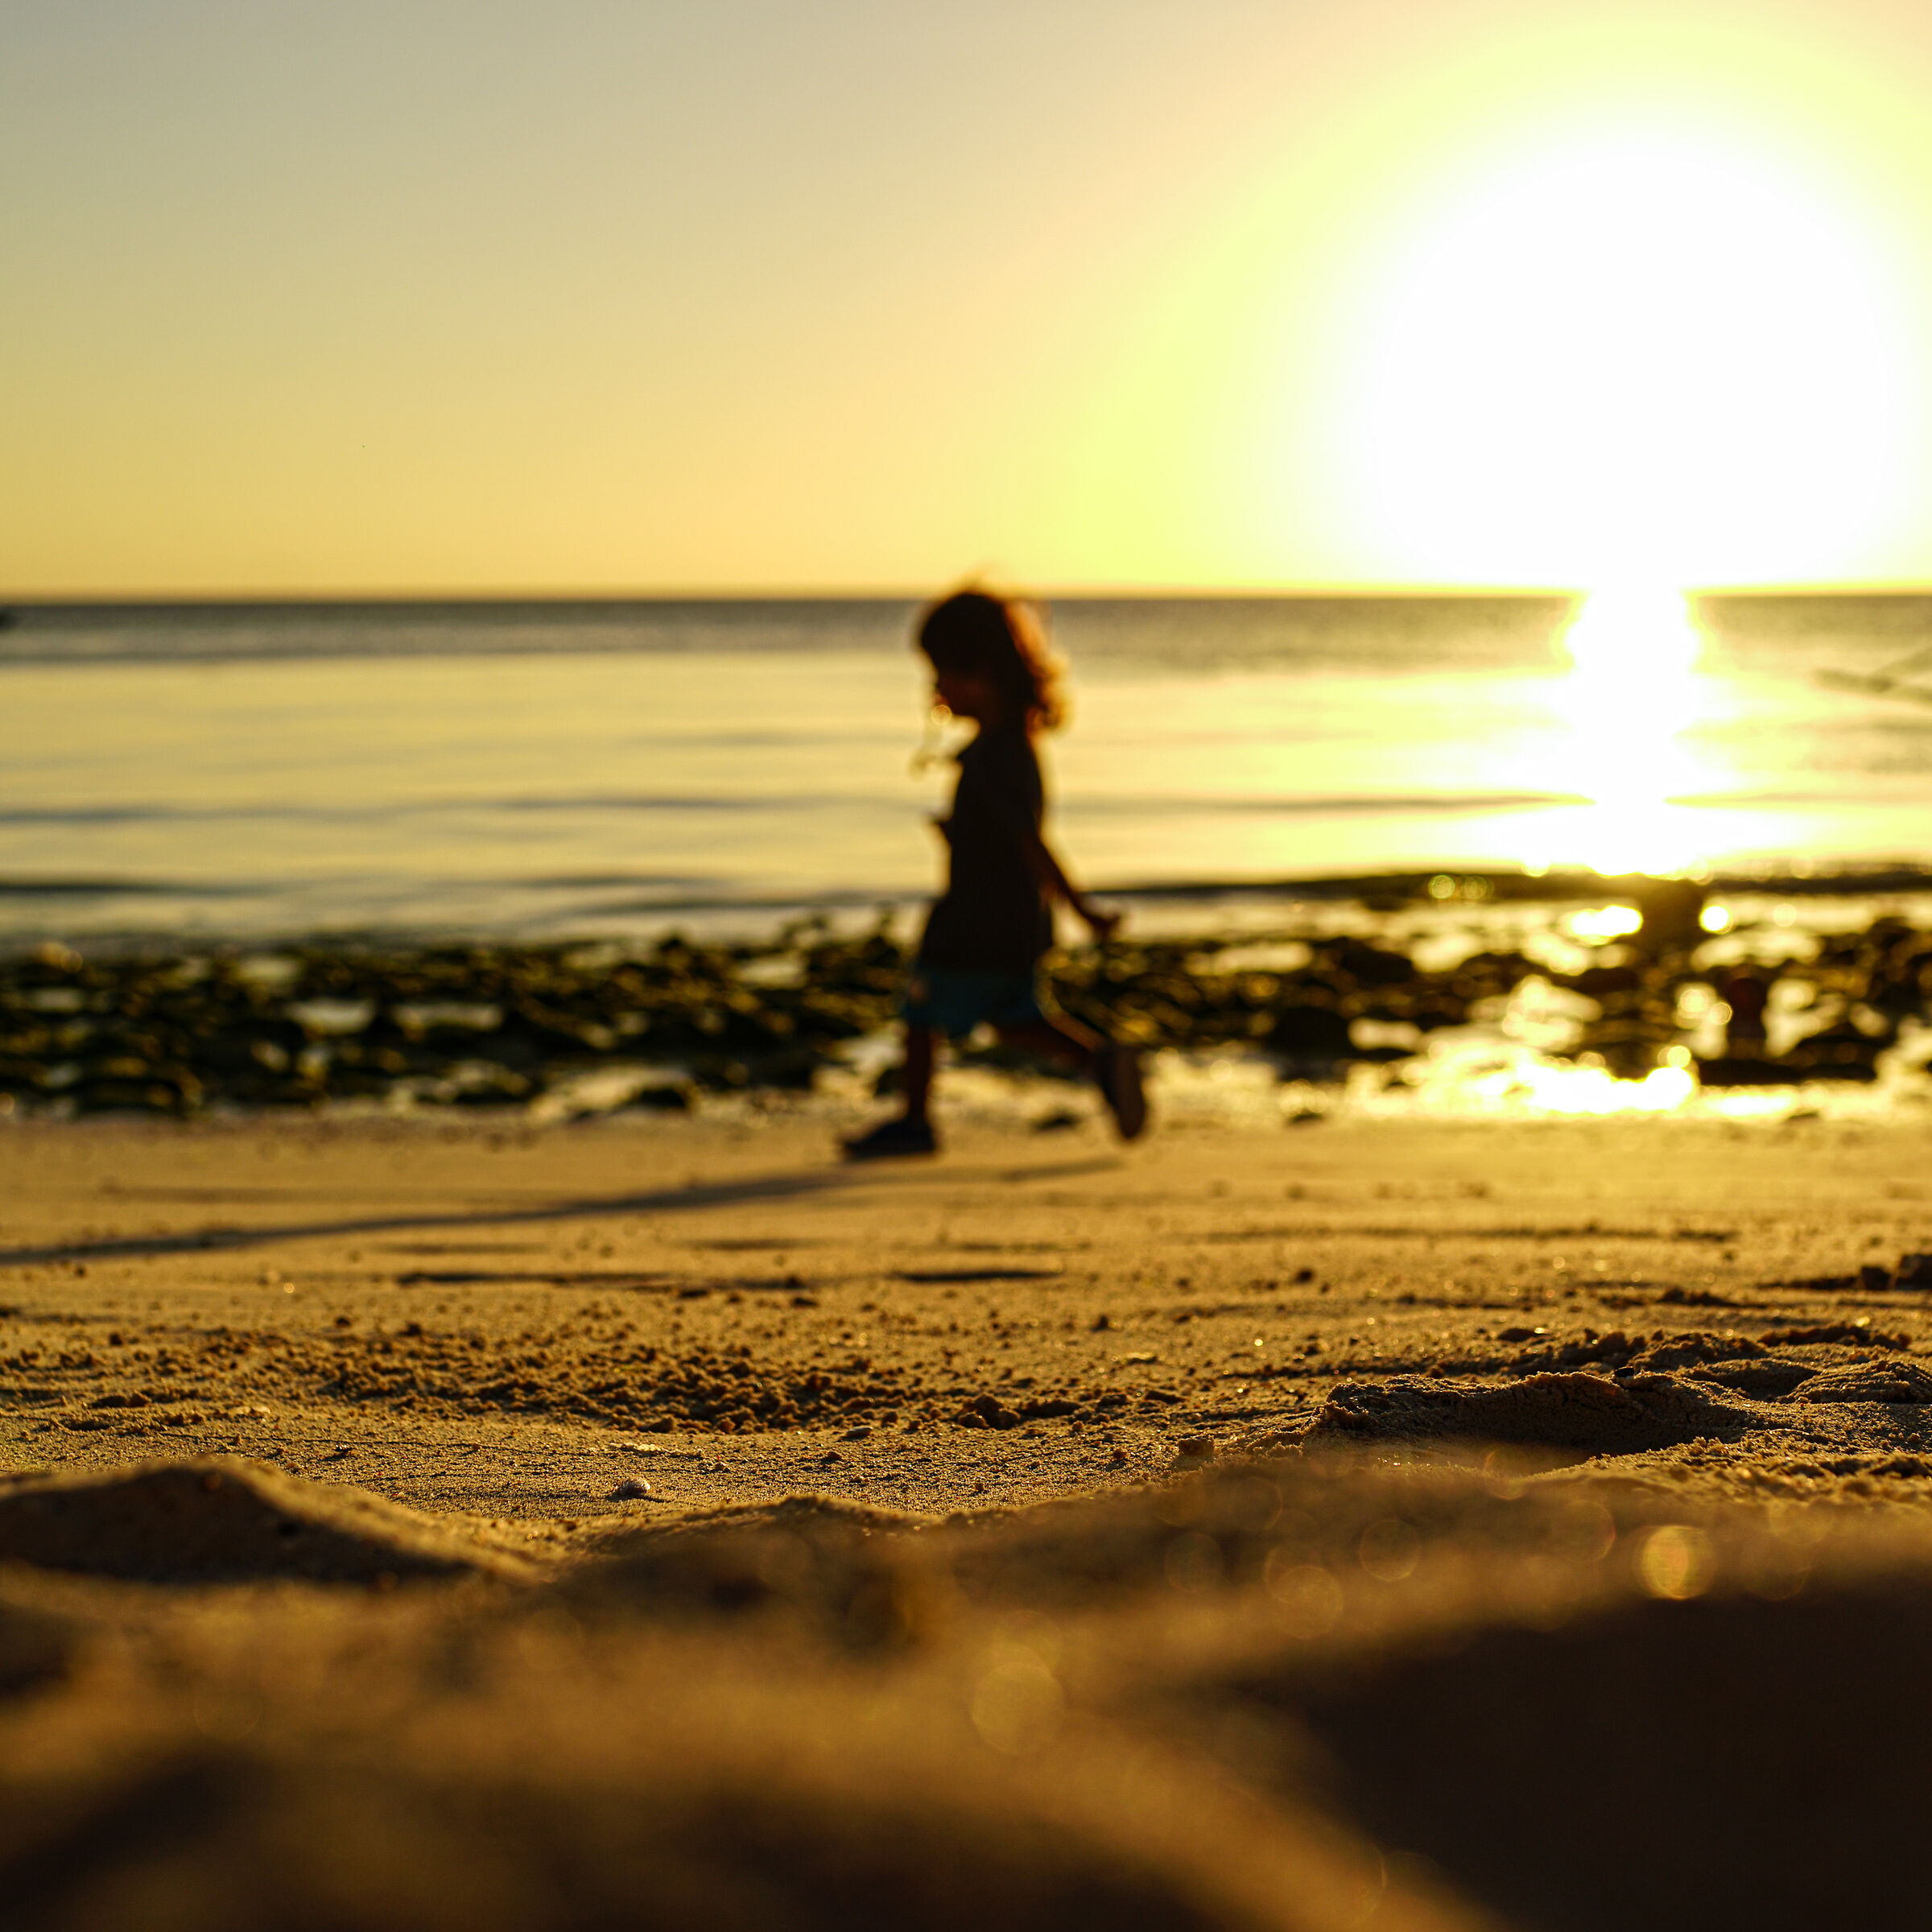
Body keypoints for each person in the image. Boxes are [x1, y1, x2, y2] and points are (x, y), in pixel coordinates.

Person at [842, 588, 1146, 1159]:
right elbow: (1010, 837)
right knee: (1014, 1018)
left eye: (942, 674)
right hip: (1017, 919)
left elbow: (1028, 840)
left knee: (922, 1008)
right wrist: (961, 836)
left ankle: (915, 1120)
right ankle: (1100, 1061)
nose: (934, 689)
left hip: (975, 918)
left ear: (979, 673)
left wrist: (1082, 908)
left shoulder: (996, 756)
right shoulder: (1007, 748)